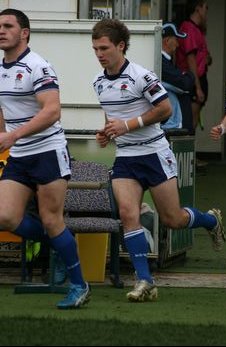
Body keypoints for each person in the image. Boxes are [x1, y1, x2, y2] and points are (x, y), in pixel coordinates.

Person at [92, 18, 226, 303]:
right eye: (95, 49)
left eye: (104, 48)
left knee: (172, 219)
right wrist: (107, 133)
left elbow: (164, 109)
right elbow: (112, 120)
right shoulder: (99, 83)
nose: (99, 54)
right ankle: (145, 281)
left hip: (154, 152)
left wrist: (127, 125)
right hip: (126, 156)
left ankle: (208, 220)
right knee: (129, 214)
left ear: (120, 46)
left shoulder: (142, 76)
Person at [0, 8, 90, 309]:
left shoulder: (38, 66)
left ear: (24, 33)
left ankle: (80, 286)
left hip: (48, 152)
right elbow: (4, 111)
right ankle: (61, 242)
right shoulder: (0, 68)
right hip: (20, 155)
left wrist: (12, 137)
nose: (1, 30)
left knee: (52, 219)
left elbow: (52, 111)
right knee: (5, 217)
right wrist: (4, 136)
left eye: (8, 25)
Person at [176, 0, 211, 132]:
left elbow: (205, 56)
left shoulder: (198, 30)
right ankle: (187, 151)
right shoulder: (188, 28)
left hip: (200, 78)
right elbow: (190, 59)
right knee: (190, 121)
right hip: (192, 80)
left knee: (194, 120)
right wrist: (197, 87)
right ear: (198, 8)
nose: (206, 12)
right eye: (205, 8)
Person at [161, 22, 195, 134]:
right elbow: (185, 85)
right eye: (176, 40)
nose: (178, 45)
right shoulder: (161, 63)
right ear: (166, 41)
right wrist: (189, 75)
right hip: (170, 127)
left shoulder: (166, 62)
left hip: (173, 126)